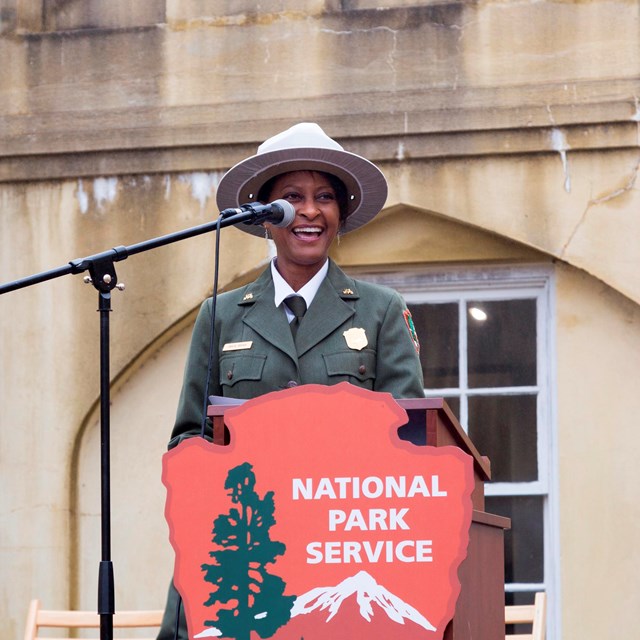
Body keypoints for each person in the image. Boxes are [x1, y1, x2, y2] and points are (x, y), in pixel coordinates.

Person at [157, 122, 424, 639]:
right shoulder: (222, 315)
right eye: (291, 197)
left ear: (341, 215)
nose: (309, 211)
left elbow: (408, 435)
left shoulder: (380, 312)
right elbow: (188, 437)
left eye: (324, 197)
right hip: (245, 551)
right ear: (264, 216)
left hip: (342, 550)